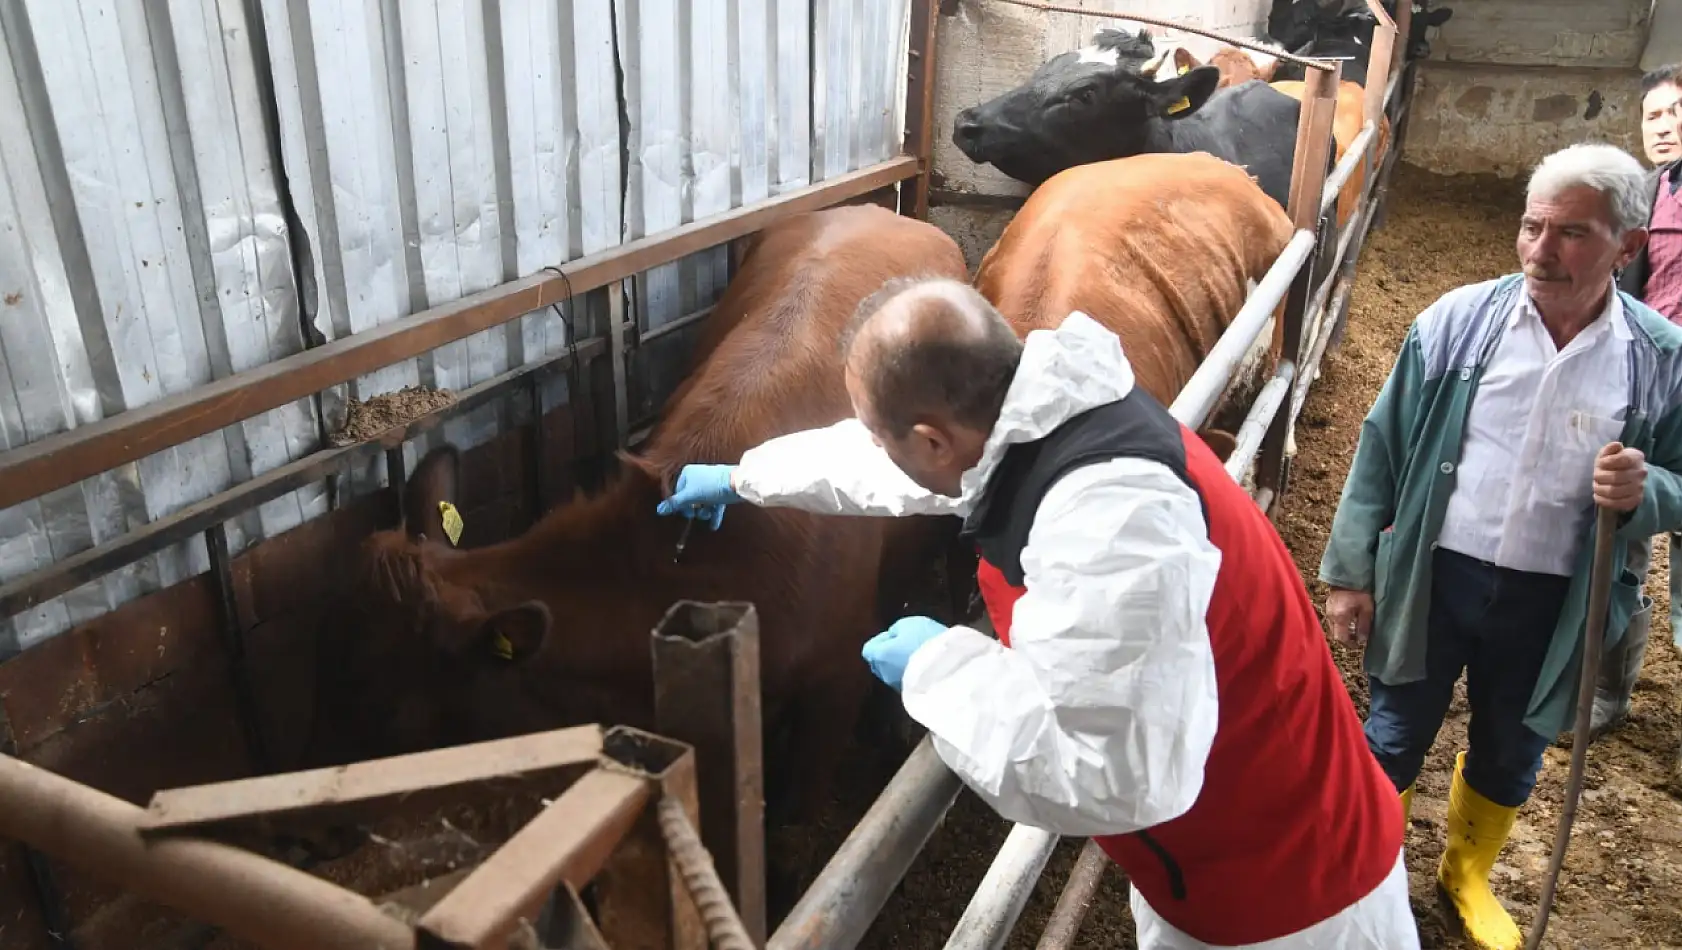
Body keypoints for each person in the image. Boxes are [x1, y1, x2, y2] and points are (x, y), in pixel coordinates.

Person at [655, 277, 1417, 949]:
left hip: (1293, 900)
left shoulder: (1110, 523)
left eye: (885, 434)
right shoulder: (1040, 422)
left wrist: (935, 667)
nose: (881, 449)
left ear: (931, 436)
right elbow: (895, 462)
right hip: (1214, 860)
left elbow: (1117, 776)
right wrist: (747, 477)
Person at [1319, 141, 1682, 950]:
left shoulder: (1659, 362)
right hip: (1434, 574)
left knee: (1513, 744)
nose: (1541, 251)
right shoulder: (1454, 324)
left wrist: (1648, 490)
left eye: (1571, 233)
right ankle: (1369, 868)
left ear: (1627, 246)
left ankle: (1465, 875)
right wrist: (1350, 571)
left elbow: (1681, 482)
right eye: (1531, 226)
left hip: (1556, 600)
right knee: (1394, 729)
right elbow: (1382, 447)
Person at [1593, 63, 1682, 743]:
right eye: (1654, 115)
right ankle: (1607, 692)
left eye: (1676, 112)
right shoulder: (1646, 195)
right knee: (1623, 533)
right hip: (1650, 386)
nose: (1664, 125)